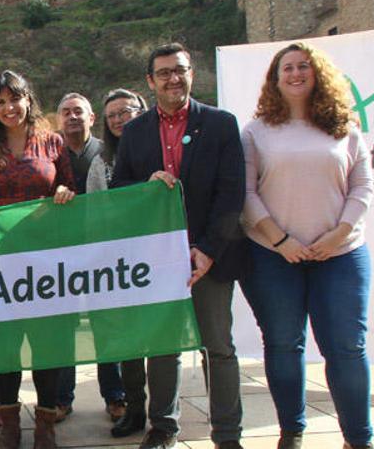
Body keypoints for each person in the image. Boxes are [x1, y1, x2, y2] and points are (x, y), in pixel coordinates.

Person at [111, 43, 246, 449]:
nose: (173, 78)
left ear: (192, 73)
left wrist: (207, 250)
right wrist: (144, 186)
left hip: (209, 257)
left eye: (180, 70)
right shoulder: (134, 132)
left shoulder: (221, 124)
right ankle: (163, 428)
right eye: (164, 72)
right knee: (163, 348)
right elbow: (119, 189)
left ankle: (226, 434)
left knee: (218, 348)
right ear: (150, 81)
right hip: (158, 261)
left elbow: (232, 192)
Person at [240, 42, 374, 449]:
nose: (296, 73)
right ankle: (292, 432)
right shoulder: (256, 130)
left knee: (347, 347)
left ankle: (358, 438)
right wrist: (281, 241)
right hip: (273, 256)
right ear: (275, 79)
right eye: (287, 68)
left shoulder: (344, 127)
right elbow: (245, 193)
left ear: (317, 75)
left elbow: (362, 186)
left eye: (303, 67)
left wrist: (338, 234)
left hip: (341, 255)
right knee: (283, 343)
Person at [0, 70, 76, 449]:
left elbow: (68, 186)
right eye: (0, 102)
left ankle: (46, 424)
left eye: (15, 99)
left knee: (49, 342)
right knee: (5, 344)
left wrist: (63, 191)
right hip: (1, 264)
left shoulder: (53, 142)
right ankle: (10, 425)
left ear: (28, 99)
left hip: (47, 263)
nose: (9, 108)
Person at [88, 88, 155, 439]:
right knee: (128, 343)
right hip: (121, 262)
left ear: (142, 110)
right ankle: (133, 409)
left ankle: (163, 414)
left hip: (160, 255)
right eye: (111, 114)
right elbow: (95, 211)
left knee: (161, 340)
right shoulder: (101, 161)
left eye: (125, 111)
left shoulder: (160, 146)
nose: (118, 119)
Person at [52, 92, 113, 423]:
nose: (73, 117)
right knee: (64, 326)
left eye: (79, 111)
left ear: (92, 118)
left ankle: (115, 395)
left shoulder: (107, 150)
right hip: (61, 252)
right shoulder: (51, 153)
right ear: (58, 119)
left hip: (103, 251)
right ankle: (62, 398)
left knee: (106, 324)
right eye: (66, 112)